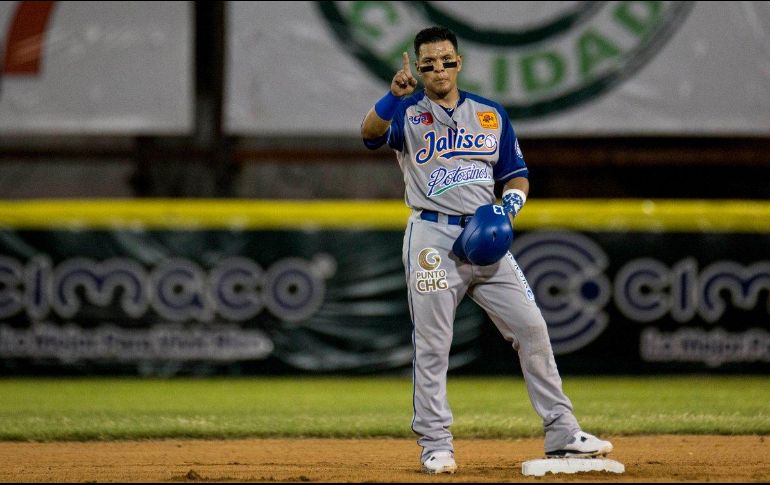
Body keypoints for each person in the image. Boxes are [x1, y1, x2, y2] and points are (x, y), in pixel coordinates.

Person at [360, 26, 613, 474]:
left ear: (459, 62)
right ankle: (436, 444)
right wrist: (390, 96)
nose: (438, 68)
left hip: (487, 237)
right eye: (429, 63)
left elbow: (516, 172)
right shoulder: (407, 111)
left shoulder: (490, 114)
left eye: (446, 60)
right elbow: (369, 135)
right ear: (418, 68)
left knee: (532, 328)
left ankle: (562, 432)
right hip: (432, 241)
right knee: (434, 344)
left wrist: (508, 209)